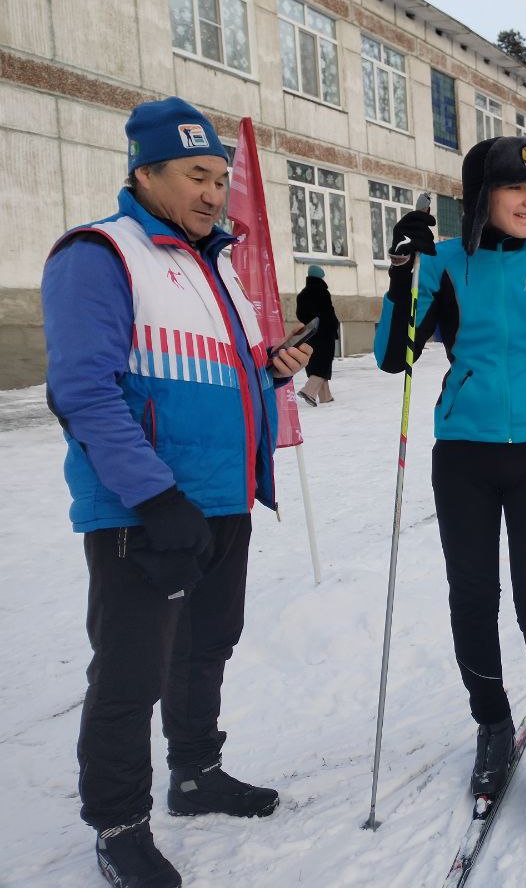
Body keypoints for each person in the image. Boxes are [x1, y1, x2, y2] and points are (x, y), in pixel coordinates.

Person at [41, 97, 313, 888]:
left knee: (204, 647)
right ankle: (119, 825)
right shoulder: (100, 254)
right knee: (131, 672)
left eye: (219, 179)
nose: (212, 193)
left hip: (221, 499)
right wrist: (157, 500)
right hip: (145, 508)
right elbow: (83, 393)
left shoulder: (215, 265)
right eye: (195, 176)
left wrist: (268, 371)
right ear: (146, 173)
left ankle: (195, 773)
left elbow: (213, 376)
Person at [373, 136, 526, 830]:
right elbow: (394, 354)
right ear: (482, 196)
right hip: (465, 454)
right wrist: (403, 276)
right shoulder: (447, 263)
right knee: (473, 597)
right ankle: (493, 725)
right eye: (514, 188)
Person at [295, 264, 341, 405]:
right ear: (320, 277)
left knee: (316, 362)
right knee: (323, 363)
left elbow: (300, 315)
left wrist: (311, 323)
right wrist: (334, 325)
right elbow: (328, 314)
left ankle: (326, 397)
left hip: (310, 333)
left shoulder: (302, 294)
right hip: (325, 333)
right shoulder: (322, 292)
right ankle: (308, 391)